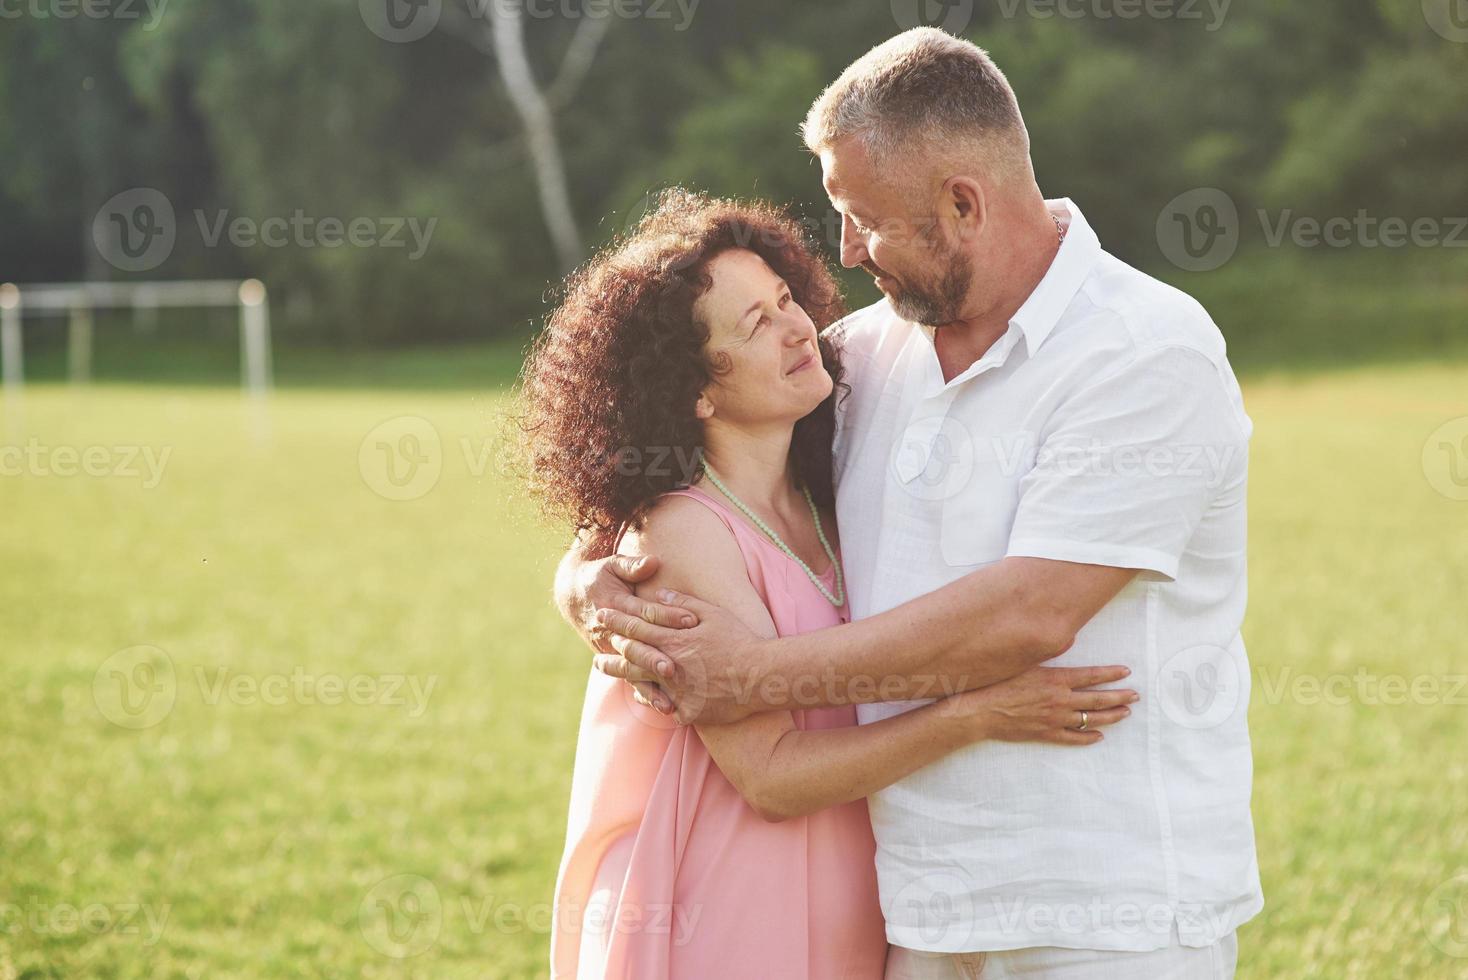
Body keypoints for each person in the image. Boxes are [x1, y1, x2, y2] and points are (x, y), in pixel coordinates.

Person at [562, 28, 1262, 980]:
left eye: (862, 218)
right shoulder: (863, 360)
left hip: (1106, 911)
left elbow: (1030, 612)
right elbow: (685, 480)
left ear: (961, 205)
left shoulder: (1146, 351)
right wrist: (586, 582)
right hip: (915, 911)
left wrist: (754, 678)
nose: (845, 254)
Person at [522, 190, 1138, 979]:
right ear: (693, 391)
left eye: (785, 300)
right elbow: (771, 778)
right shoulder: (682, 533)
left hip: (847, 894)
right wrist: (976, 715)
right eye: (754, 325)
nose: (799, 329)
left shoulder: (827, 478)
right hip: (733, 905)